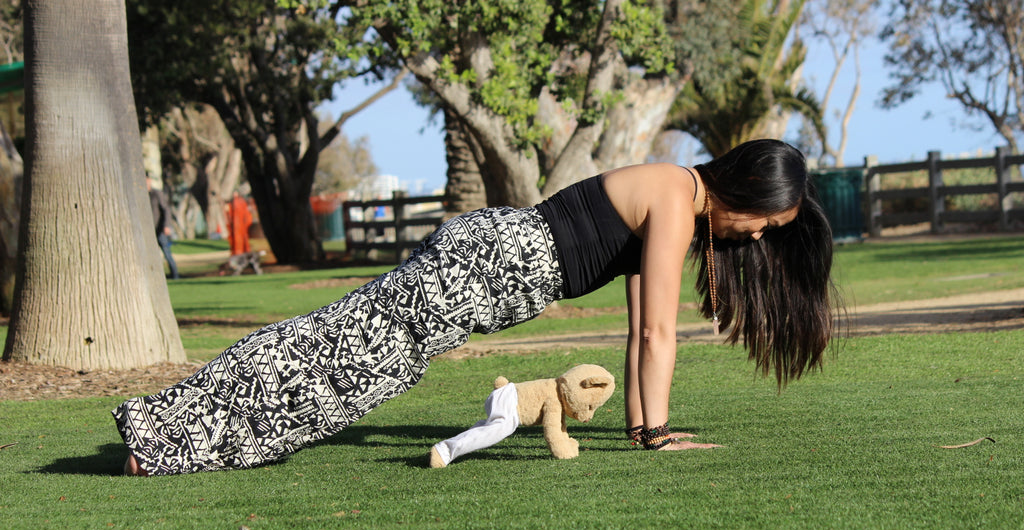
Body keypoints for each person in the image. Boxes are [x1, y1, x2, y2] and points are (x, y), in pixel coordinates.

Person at [117, 139, 837, 476]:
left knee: (337, 347)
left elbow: (637, 327)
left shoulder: (674, 194)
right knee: (345, 361)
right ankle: (166, 442)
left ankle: (169, 432)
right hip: (485, 268)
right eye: (765, 222)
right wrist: (659, 437)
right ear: (743, 189)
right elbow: (656, 332)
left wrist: (646, 428)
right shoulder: (679, 199)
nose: (757, 235)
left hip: (487, 261)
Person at [148, 177, 179, 280]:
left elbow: (166, 210)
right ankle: (156, 277)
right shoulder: (143, 195)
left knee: (167, 254)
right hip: (149, 231)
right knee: (151, 256)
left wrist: (166, 225)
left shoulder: (156, 194)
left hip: (160, 230)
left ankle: (175, 276)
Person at [226, 191, 253, 256]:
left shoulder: (240, 201)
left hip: (241, 225)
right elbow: (228, 213)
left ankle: (243, 251)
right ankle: (237, 252)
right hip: (236, 225)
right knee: (236, 239)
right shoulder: (231, 203)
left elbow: (246, 214)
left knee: (243, 238)